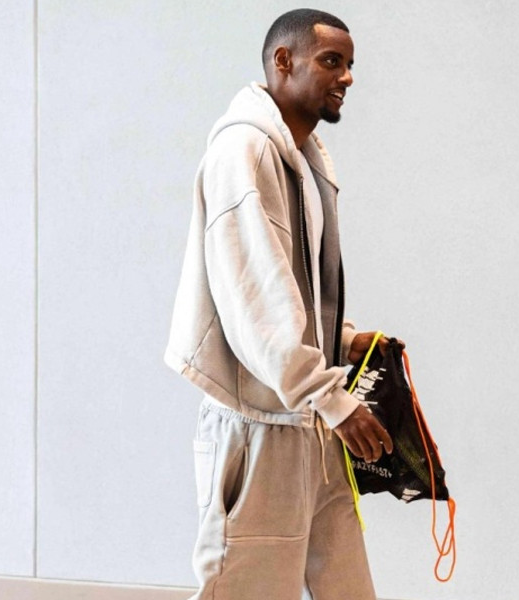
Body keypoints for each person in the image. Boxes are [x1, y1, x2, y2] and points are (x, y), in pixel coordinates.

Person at [165, 8, 398, 599]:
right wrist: (331, 398)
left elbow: (293, 283)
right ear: (283, 61)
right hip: (260, 426)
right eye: (331, 61)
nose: (347, 77)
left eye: (350, 64)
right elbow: (255, 298)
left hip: (309, 420)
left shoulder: (305, 155)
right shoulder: (242, 152)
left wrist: (342, 341)